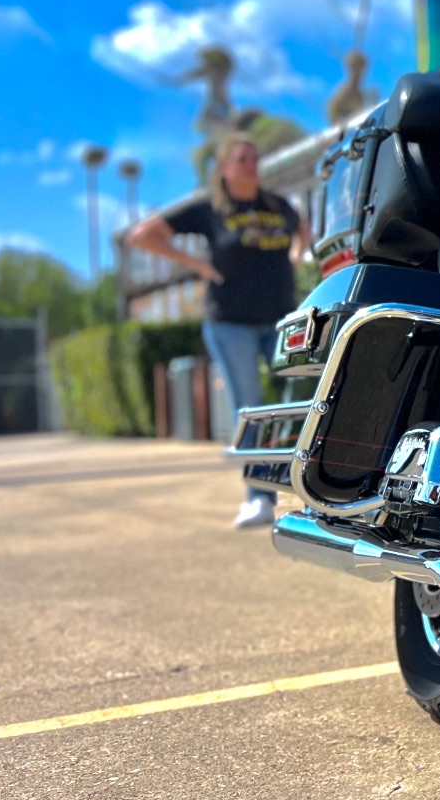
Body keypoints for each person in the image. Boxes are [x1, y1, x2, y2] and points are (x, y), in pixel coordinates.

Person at [129, 131, 312, 528]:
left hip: (280, 317)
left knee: (298, 396)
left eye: (254, 158)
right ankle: (258, 498)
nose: (251, 165)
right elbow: (142, 234)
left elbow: (302, 227)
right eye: (242, 159)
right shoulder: (209, 208)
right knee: (249, 407)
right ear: (225, 168)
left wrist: (298, 254)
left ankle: (307, 487)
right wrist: (195, 266)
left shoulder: (278, 205)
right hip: (231, 322)